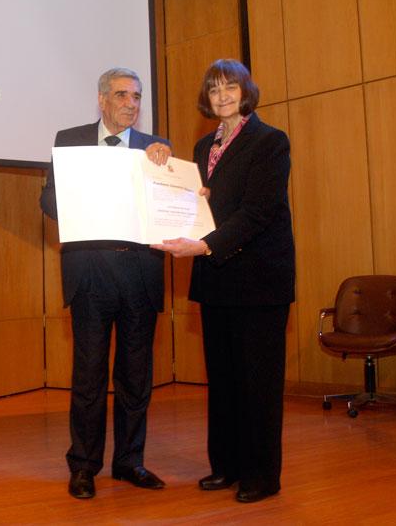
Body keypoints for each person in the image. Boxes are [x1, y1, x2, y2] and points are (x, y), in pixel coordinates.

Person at [152, 59, 294, 503]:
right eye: (214, 90)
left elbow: (257, 212)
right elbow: (196, 201)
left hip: (258, 280)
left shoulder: (270, 141)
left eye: (230, 87)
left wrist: (205, 245)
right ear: (207, 99)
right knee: (225, 380)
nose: (222, 96)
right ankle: (227, 467)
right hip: (217, 280)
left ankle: (261, 476)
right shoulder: (201, 148)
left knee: (258, 384)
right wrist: (158, 157)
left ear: (246, 91)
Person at [40, 67, 172, 499]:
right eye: (121, 95)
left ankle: (130, 462)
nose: (130, 104)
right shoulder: (70, 140)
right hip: (91, 275)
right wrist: (84, 199)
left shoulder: (157, 148)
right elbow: (49, 200)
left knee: (136, 379)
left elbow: (169, 204)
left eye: (136, 96)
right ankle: (83, 466)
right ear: (101, 100)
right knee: (90, 378)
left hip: (139, 274)